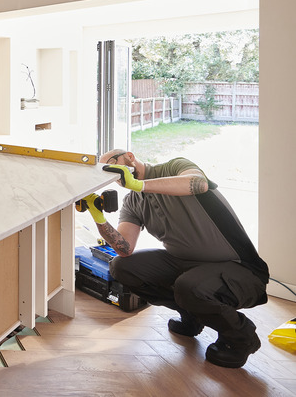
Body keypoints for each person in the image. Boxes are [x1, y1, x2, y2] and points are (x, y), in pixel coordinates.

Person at [80, 149, 269, 368]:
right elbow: (125, 248)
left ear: (129, 157)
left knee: (189, 286)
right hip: (184, 263)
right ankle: (191, 315)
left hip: (239, 268)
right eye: (106, 173)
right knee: (122, 267)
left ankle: (242, 337)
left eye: (113, 165)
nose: (113, 174)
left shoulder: (174, 167)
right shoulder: (133, 201)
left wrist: (140, 184)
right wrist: (98, 217)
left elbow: (199, 184)